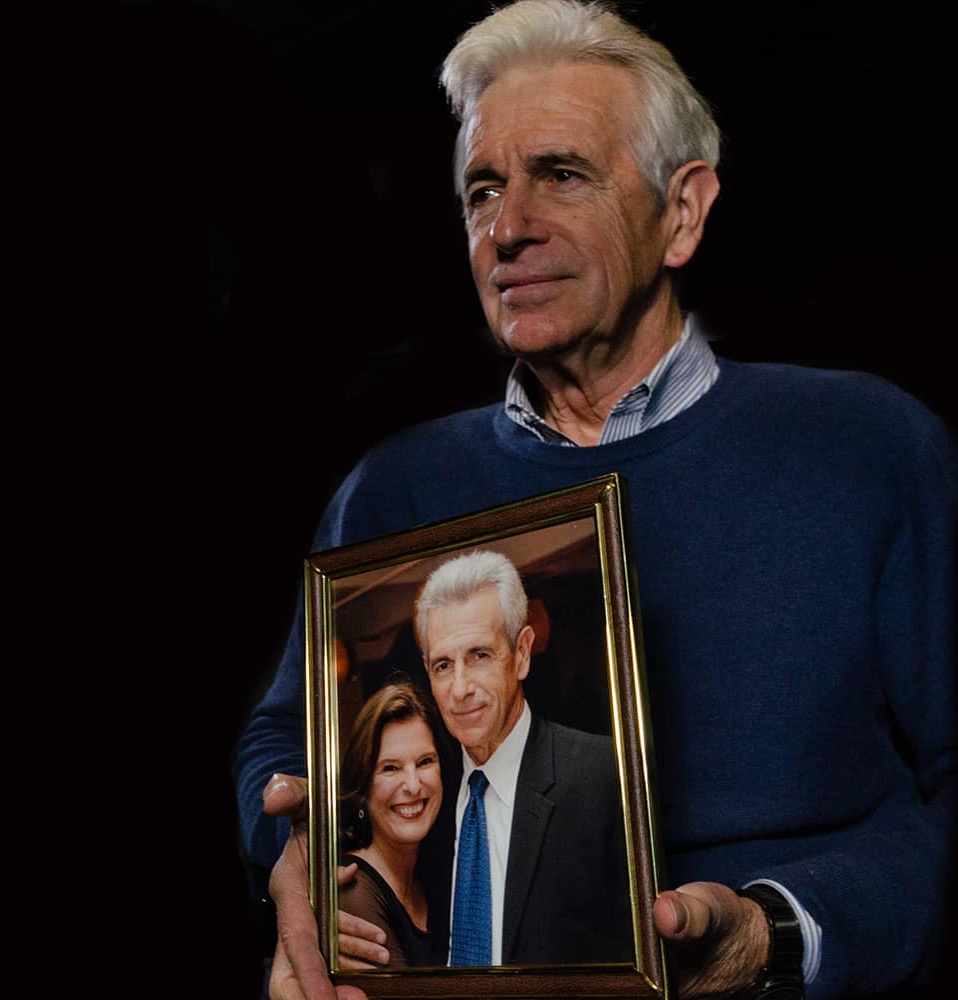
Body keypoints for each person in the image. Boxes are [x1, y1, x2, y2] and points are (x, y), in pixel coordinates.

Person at [235, 2, 956, 998]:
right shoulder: (393, 485)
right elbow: (283, 734)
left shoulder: (872, 450)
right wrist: (293, 847)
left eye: (560, 175)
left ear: (683, 211)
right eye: (483, 189)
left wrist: (778, 931)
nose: (510, 227)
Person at [411, 548, 631, 967]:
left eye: (479, 655)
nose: (460, 689)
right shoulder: (424, 797)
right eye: (443, 665)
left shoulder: (604, 776)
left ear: (523, 653)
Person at [336, 677, 448, 968]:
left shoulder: (429, 875)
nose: (413, 785)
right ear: (363, 787)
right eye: (390, 768)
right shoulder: (354, 889)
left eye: (425, 762)